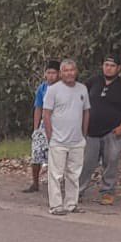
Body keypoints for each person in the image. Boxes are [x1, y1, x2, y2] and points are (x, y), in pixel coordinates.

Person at [80, 55, 121, 206]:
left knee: (111, 162)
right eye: (106, 64)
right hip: (91, 131)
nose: (108, 68)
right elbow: (79, 97)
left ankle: (107, 192)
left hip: (113, 132)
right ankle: (78, 190)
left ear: (119, 68)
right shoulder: (94, 82)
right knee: (87, 162)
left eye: (112, 65)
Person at [42, 60, 90, 215]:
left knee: (74, 174)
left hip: (77, 140)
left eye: (72, 70)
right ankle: (56, 206)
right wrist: (50, 135)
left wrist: (84, 133)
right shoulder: (53, 90)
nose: (69, 73)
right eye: (66, 70)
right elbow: (46, 113)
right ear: (61, 73)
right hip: (58, 140)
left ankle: (71, 204)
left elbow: (86, 112)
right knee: (56, 174)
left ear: (76, 71)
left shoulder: (82, 89)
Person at [24, 62, 59, 193]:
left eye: (53, 73)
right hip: (44, 125)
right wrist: (36, 128)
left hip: (58, 125)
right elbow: (38, 108)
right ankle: (35, 183)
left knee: (55, 157)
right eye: (48, 73)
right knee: (36, 154)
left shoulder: (63, 88)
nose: (51, 76)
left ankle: (55, 185)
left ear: (59, 74)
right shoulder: (42, 88)